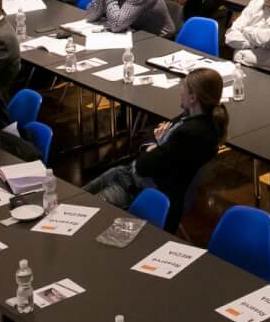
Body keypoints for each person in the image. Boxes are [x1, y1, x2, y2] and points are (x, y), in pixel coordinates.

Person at [83, 68, 227, 230]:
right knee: (75, 200)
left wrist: (157, 145)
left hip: (140, 193)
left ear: (193, 98)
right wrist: (157, 145)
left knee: (84, 215)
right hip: (126, 175)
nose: (180, 92)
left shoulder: (194, 133)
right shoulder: (189, 116)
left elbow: (144, 166)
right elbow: (151, 134)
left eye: (183, 88)